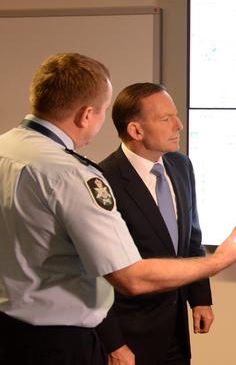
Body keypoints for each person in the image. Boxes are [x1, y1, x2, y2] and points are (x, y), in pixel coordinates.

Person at [0, 53, 236, 365]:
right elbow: (128, 277)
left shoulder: (6, 150)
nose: (178, 125)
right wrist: (218, 262)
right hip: (62, 342)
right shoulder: (74, 175)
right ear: (86, 115)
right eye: (103, 112)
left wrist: (199, 297)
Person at [95, 83, 212, 365]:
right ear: (136, 130)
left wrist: (200, 298)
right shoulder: (103, 180)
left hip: (175, 332)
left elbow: (191, 241)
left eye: (176, 116)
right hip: (129, 338)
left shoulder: (181, 166)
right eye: (166, 119)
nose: (179, 125)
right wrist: (114, 343)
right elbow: (97, 273)